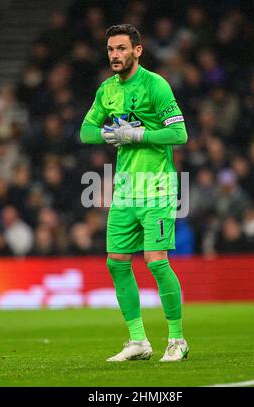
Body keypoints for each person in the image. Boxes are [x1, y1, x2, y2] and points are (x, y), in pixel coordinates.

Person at [80, 24, 189, 362]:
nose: (115, 55)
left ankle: (177, 340)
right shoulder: (106, 90)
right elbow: (85, 132)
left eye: (122, 48)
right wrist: (110, 135)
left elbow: (180, 134)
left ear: (137, 51)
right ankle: (139, 341)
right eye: (111, 49)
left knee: (156, 262)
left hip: (157, 187)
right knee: (116, 263)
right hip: (124, 190)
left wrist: (138, 136)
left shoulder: (156, 85)